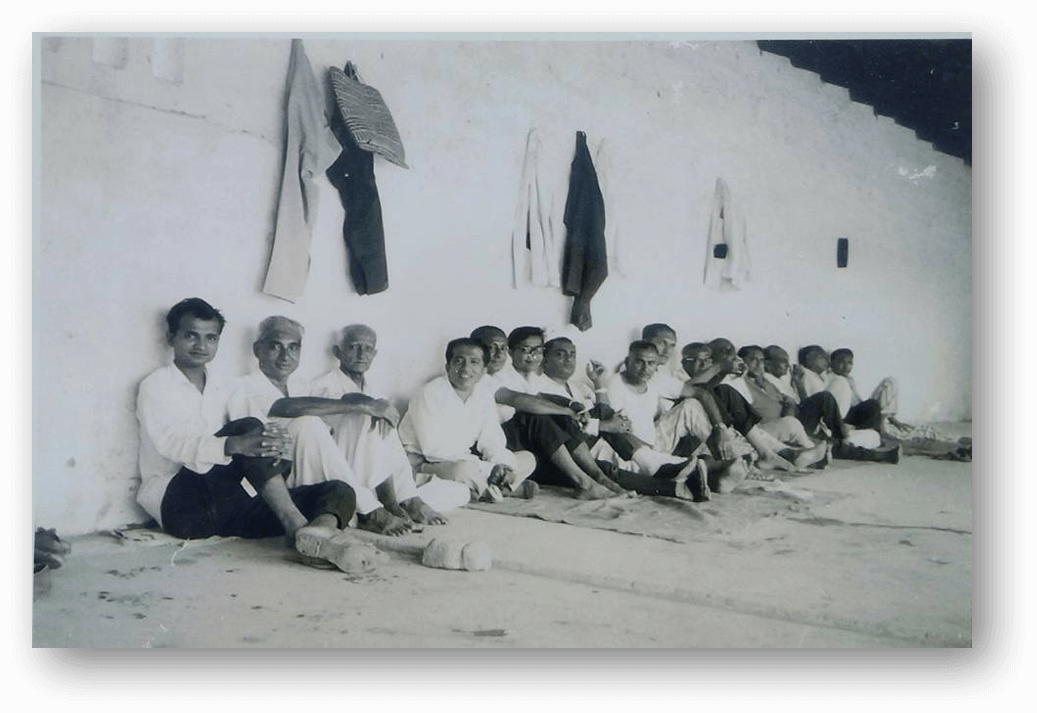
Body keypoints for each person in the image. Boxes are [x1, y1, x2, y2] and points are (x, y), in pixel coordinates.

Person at [135, 298, 358, 570]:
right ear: (172, 338)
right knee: (248, 427)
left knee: (339, 490)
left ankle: (318, 537)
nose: (201, 346)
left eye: (211, 338)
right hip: (180, 504)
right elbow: (172, 444)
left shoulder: (225, 384)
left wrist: (275, 438)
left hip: (229, 507)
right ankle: (297, 528)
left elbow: (259, 426)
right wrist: (235, 444)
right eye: (191, 336)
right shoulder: (156, 386)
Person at [226, 316, 468, 530]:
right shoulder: (244, 385)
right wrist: (362, 405)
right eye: (275, 347)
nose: (285, 356)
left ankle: (405, 499)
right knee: (308, 423)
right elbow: (285, 407)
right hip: (273, 481)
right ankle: (369, 510)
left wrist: (371, 405)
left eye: (293, 348)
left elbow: (337, 402)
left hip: (311, 469)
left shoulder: (301, 384)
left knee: (368, 417)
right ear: (257, 350)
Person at [310, 324, 464, 536]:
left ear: (374, 354)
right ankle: (387, 504)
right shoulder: (323, 384)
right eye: (353, 347)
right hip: (339, 466)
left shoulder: (373, 387)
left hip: (370, 468)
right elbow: (347, 401)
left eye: (368, 348)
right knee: (368, 415)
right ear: (338, 352)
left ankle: (408, 499)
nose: (362, 354)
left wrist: (380, 408)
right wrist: (372, 406)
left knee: (460, 491)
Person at [539, 336, 709, 501]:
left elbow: (603, 411)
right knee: (611, 461)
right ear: (544, 360)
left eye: (572, 354)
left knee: (607, 465)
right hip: (563, 448)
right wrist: (606, 426)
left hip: (587, 441)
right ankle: (672, 466)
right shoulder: (539, 387)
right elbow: (558, 424)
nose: (569, 359)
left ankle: (676, 487)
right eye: (560, 354)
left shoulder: (579, 387)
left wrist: (599, 385)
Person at [470, 325, 623, 499]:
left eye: (502, 348)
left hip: (515, 441)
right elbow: (519, 400)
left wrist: (571, 405)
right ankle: (585, 483)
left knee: (555, 416)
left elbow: (541, 396)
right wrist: (566, 411)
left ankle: (599, 478)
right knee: (534, 417)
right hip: (492, 444)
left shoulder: (512, 375)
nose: (498, 354)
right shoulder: (483, 378)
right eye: (492, 348)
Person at [398, 338, 538, 502]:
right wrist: (489, 468)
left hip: (466, 460)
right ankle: (500, 490)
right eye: (458, 361)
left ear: (484, 370)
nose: (466, 369)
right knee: (463, 471)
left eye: (474, 362)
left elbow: (491, 438)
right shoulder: (428, 394)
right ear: (448, 366)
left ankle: (487, 488)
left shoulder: (483, 393)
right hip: (423, 462)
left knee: (528, 459)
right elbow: (434, 450)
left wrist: (502, 465)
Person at [736, 344, 831, 468]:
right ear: (741, 362)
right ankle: (811, 454)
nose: (759, 364)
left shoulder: (764, 382)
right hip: (759, 431)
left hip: (778, 425)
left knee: (792, 423)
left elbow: (787, 400)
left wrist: (788, 406)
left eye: (761, 360)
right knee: (791, 423)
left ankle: (808, 453)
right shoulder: (740, 383)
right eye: (753, 359)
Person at [827, 348, 911, 434]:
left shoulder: (849, 379)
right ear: (832, 363)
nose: (846, 366)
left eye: (849, 363)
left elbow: (857, 401)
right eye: (841, 362)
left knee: (890, 382)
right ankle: (880, 429)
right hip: (843, 416)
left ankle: (883, 422)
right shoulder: (830, 378)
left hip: (856, 411)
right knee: (872, 404)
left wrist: (892, 420)